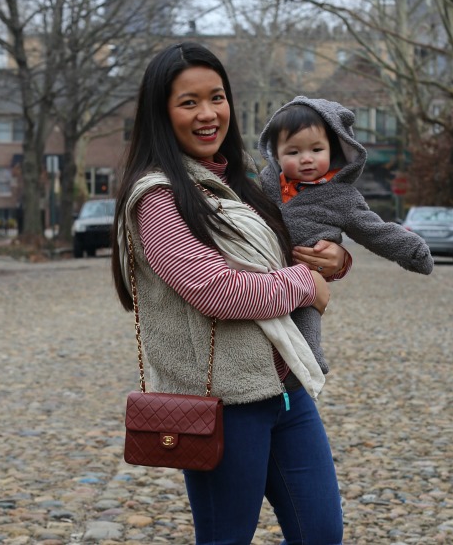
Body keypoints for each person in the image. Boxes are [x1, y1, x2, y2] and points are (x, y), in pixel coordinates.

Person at [111, 42, 346, 544]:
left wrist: (334, 261)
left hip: (287, 390)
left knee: (321, 535)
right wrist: (305, 284)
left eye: (216, 97)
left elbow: (284, 256)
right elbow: (215, 289)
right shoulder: (157, 198)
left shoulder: (242, 182)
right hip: (224, 404)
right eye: (189, 102)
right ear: (160, 113)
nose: (208, 113)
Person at [258, 96, 434, 374]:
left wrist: (411, 249)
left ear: (334, 150)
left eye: (317, 149)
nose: (306, 158)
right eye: (293, 152)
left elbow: (374, 230)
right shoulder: (264, 185)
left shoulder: (341, 197)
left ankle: (307, 364)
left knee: (306, 316)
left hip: (307, 277)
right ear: (275, 155)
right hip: (260, 277)